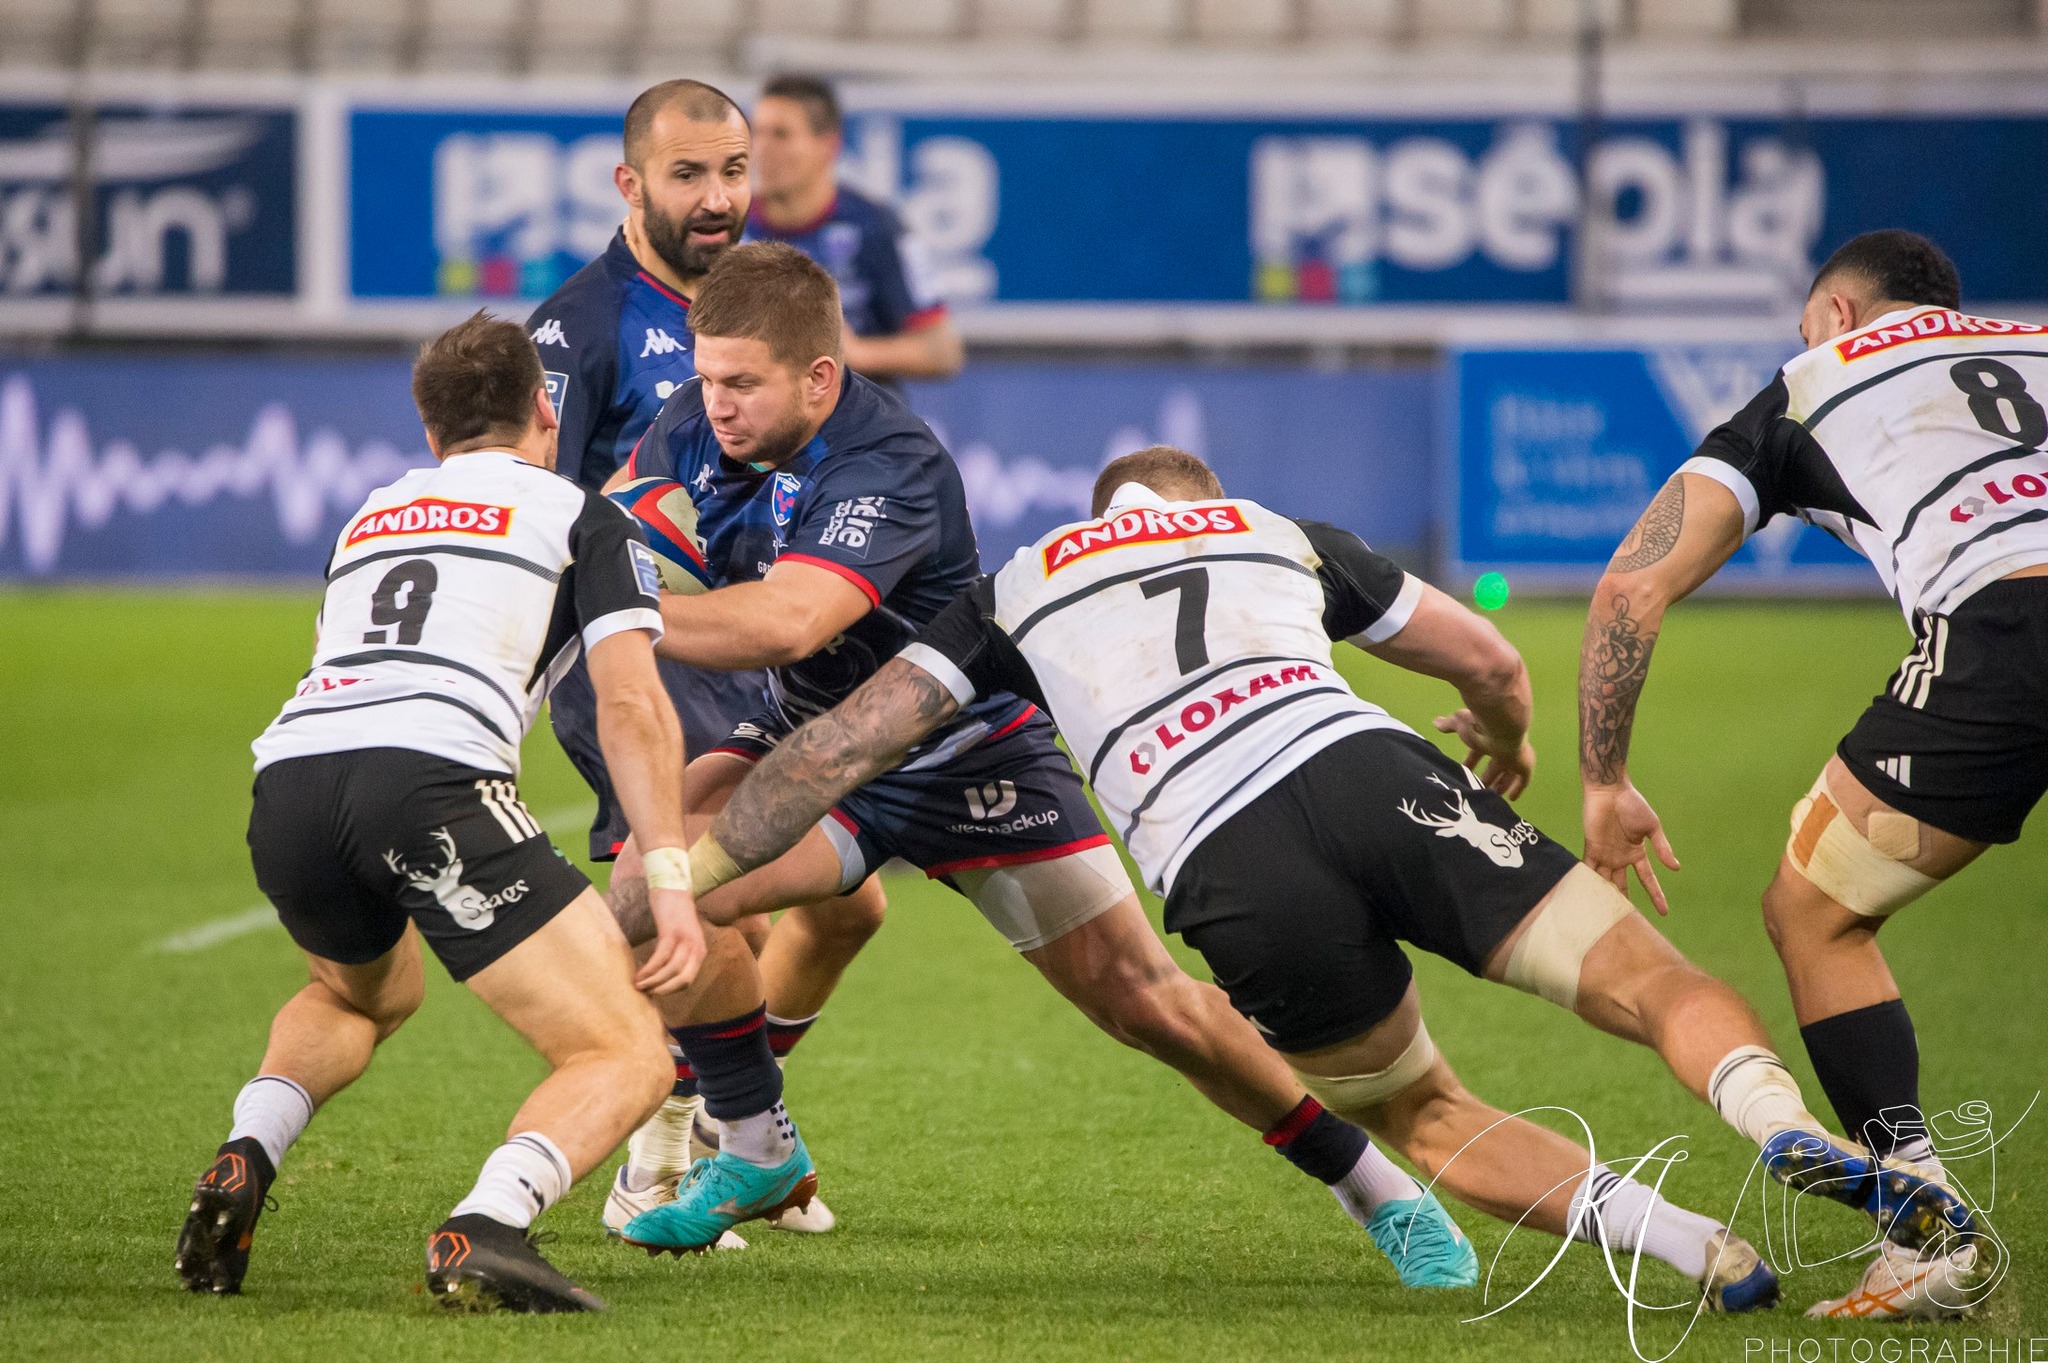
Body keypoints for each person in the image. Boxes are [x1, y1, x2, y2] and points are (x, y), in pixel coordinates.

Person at [674, 445, 1982, 1312]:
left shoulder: (1022, 582)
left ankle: (1698, 1247)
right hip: (1366, 767)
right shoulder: (1278, 532)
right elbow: (1485, 658)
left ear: (1103, 510)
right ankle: (1775, 1122)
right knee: (1651, 977)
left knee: (1423, 1112)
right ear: (1203, 495)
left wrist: (695, 864)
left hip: (1219, 857)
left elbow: (847, 743)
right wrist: (1512, 739)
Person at [602, 242, 1475, 1284]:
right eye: (706, 378)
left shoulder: (894, 462)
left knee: (1145, 1002)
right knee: (651, 881)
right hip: (810, 752)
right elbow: (610, 517)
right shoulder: (693, 423)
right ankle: (751, 1143)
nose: (717, 406)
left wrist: (625, 611)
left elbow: (795, 619)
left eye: (741, 383)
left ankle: (1370, 1183)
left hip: (969, 753)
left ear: (819, 377)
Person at [173, 314, 705, 1313]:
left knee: (362, 994)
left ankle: (246, 1150)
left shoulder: (371, 514)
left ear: (430, 434)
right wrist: (669, 875)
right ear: (546, 409)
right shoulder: (580, 513)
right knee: (625, 1049)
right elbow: (631, 704)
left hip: (289, 780)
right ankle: (489, 1222)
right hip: (428, 782)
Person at [1577, 229, 2031, 1320]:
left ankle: (1920, 1227)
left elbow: (1629, 592)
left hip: (2007, 628)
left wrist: (1604, 779)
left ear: (1831, 314)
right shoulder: (2034, 341)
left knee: (1813, 909)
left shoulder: (1805, 384)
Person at [523, 78, 868, 1238]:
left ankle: (732, 1125)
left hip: (745, 646)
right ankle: (656, 1157)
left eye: (731, 172)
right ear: (629, 185)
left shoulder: (754, 303)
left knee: (845, 905)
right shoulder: (580, 329)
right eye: (688, 175)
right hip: (635, 654)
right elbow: (537, 512)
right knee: (698, 903)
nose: (719, 198)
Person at [747, 73, 964, 386]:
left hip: (857, 423)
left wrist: (856, 354)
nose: (762, 149)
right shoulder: (731, 228)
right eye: (757, 133)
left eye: (781, 135)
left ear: (828, 146)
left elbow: (942, 351)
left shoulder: (877, 227)